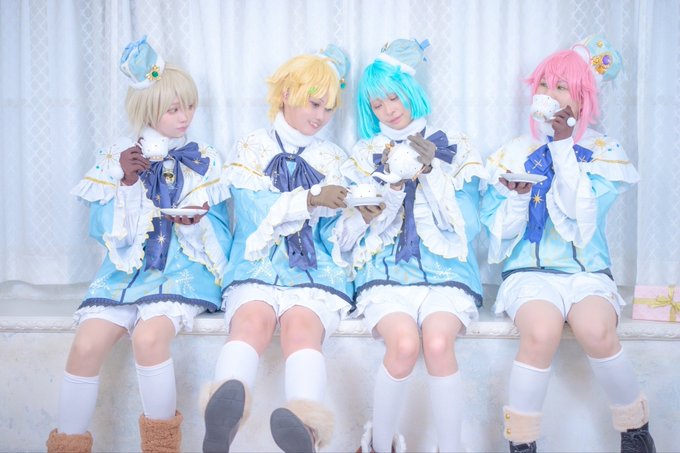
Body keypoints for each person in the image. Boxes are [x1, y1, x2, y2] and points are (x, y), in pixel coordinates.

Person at [46, 36, 231, 453]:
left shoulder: (204, 156)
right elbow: (103, 231)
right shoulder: (117, 155)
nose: (185, 117)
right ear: (149, 109)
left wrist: (194, 224)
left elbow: (221, 230)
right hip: (125, 273)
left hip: (182, 270)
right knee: (86, 344)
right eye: (174, 109)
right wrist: (127, 183)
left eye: (190, 106)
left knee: (149, 339)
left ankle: (161, 448)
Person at [480, 35, 655, 453]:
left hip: (586, 273)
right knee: (540, 333)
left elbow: (582, 217)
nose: (551, 94)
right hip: (529, 273)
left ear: (583, 97)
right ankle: (521, 444)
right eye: (545, 84)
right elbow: (496, 229)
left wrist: (562, 147)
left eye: (563, 87)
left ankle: (635, 432)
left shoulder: (604, 152)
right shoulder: (513, 152)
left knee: (597, 330)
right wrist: (518, 198)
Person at [335, 39, 488, 453]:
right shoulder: (364, 154)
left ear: (410, 89)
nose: (389, 109)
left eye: (394, 96)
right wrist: (385, 197)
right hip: (385, 272)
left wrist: (433, 173)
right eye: (377, 104)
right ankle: (377, 446)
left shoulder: (453, 144)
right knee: (404, 345)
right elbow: (348, 233)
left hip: (446, 272)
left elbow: (469, 225)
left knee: (437, 343)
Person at [201, 45, 352, 453]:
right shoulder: (252, 147)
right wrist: (309, 200)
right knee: (252, 321)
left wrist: (359, 216)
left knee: (302, 329)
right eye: (314, 104)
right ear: (286, 93)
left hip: (313, 271)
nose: (321, 116)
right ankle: (221, 424)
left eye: (329, 109)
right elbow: (253, 213)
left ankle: (304, 432)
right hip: (259, 264)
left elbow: (335, 233)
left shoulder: (333, 157)